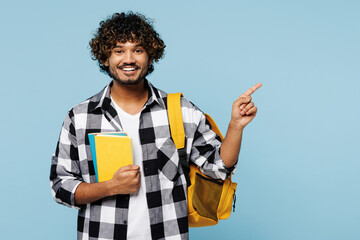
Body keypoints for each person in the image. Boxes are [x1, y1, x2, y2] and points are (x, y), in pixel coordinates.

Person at [50, 12, 261, 240]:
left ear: (150, 57)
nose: (128, 59)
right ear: (105, 58)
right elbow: (61, 187)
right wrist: (110, 187)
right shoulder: (80, 117)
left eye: (138, 50)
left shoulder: (180, 111)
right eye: (119, 50)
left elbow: (218, 167)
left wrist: (236, 126)